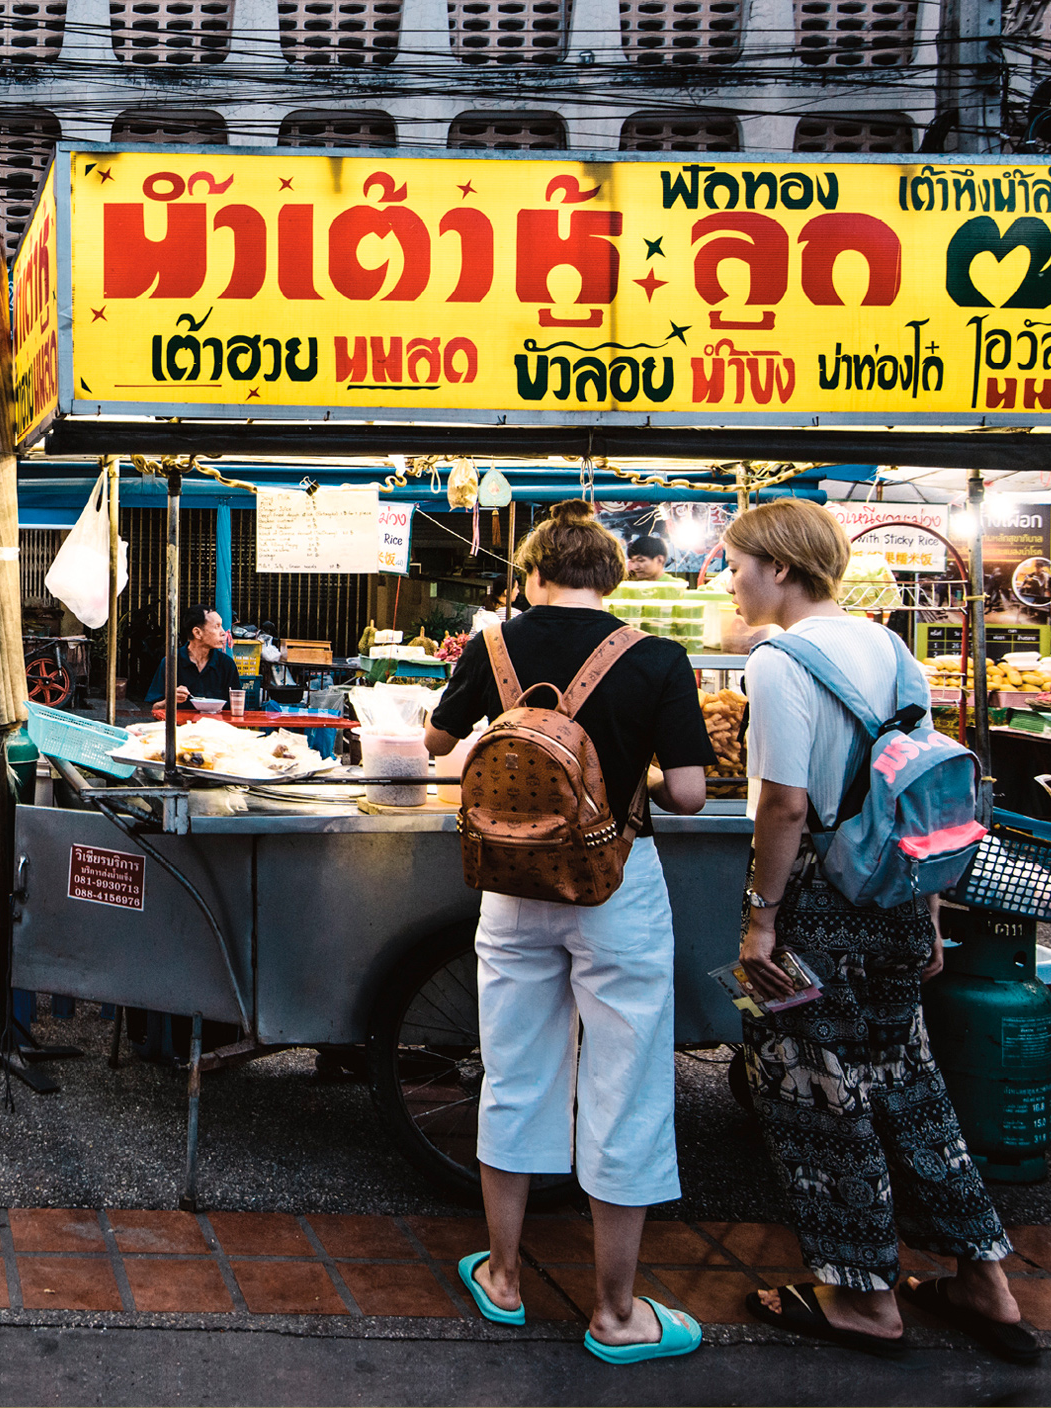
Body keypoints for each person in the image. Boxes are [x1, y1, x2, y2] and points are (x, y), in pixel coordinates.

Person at [722, 498, 1034, 1364]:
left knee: (820, 1097)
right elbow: (919, 799)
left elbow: (784, 806)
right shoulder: (891, 649)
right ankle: (986, 1281)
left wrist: (760, 923)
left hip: (820, 906)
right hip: (899, 895)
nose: (732, 581)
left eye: (737, 563)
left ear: (778, 567)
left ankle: (863, 1299)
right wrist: (929, 912)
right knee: (911, 1089)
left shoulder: (781, 663)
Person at [423, 500, 713, 1364]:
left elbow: (440, 741)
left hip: (512, 889)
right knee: (623, 1083)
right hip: (617, 888)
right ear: (613, 576)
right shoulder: (657, 658)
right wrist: (636, 780)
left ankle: (505, 1278)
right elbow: (692, 794)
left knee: (514, 1071)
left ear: (530, 574)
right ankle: (617, 1314)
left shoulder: (495, 647)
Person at [163, 604, 244, 707]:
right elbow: (154, 708)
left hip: (217, 723)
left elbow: (238, 707)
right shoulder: (171, 662)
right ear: (197, 633)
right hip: (181, 723)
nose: (223, 632)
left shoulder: (226, 664)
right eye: (217, 627)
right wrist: (171, 700)